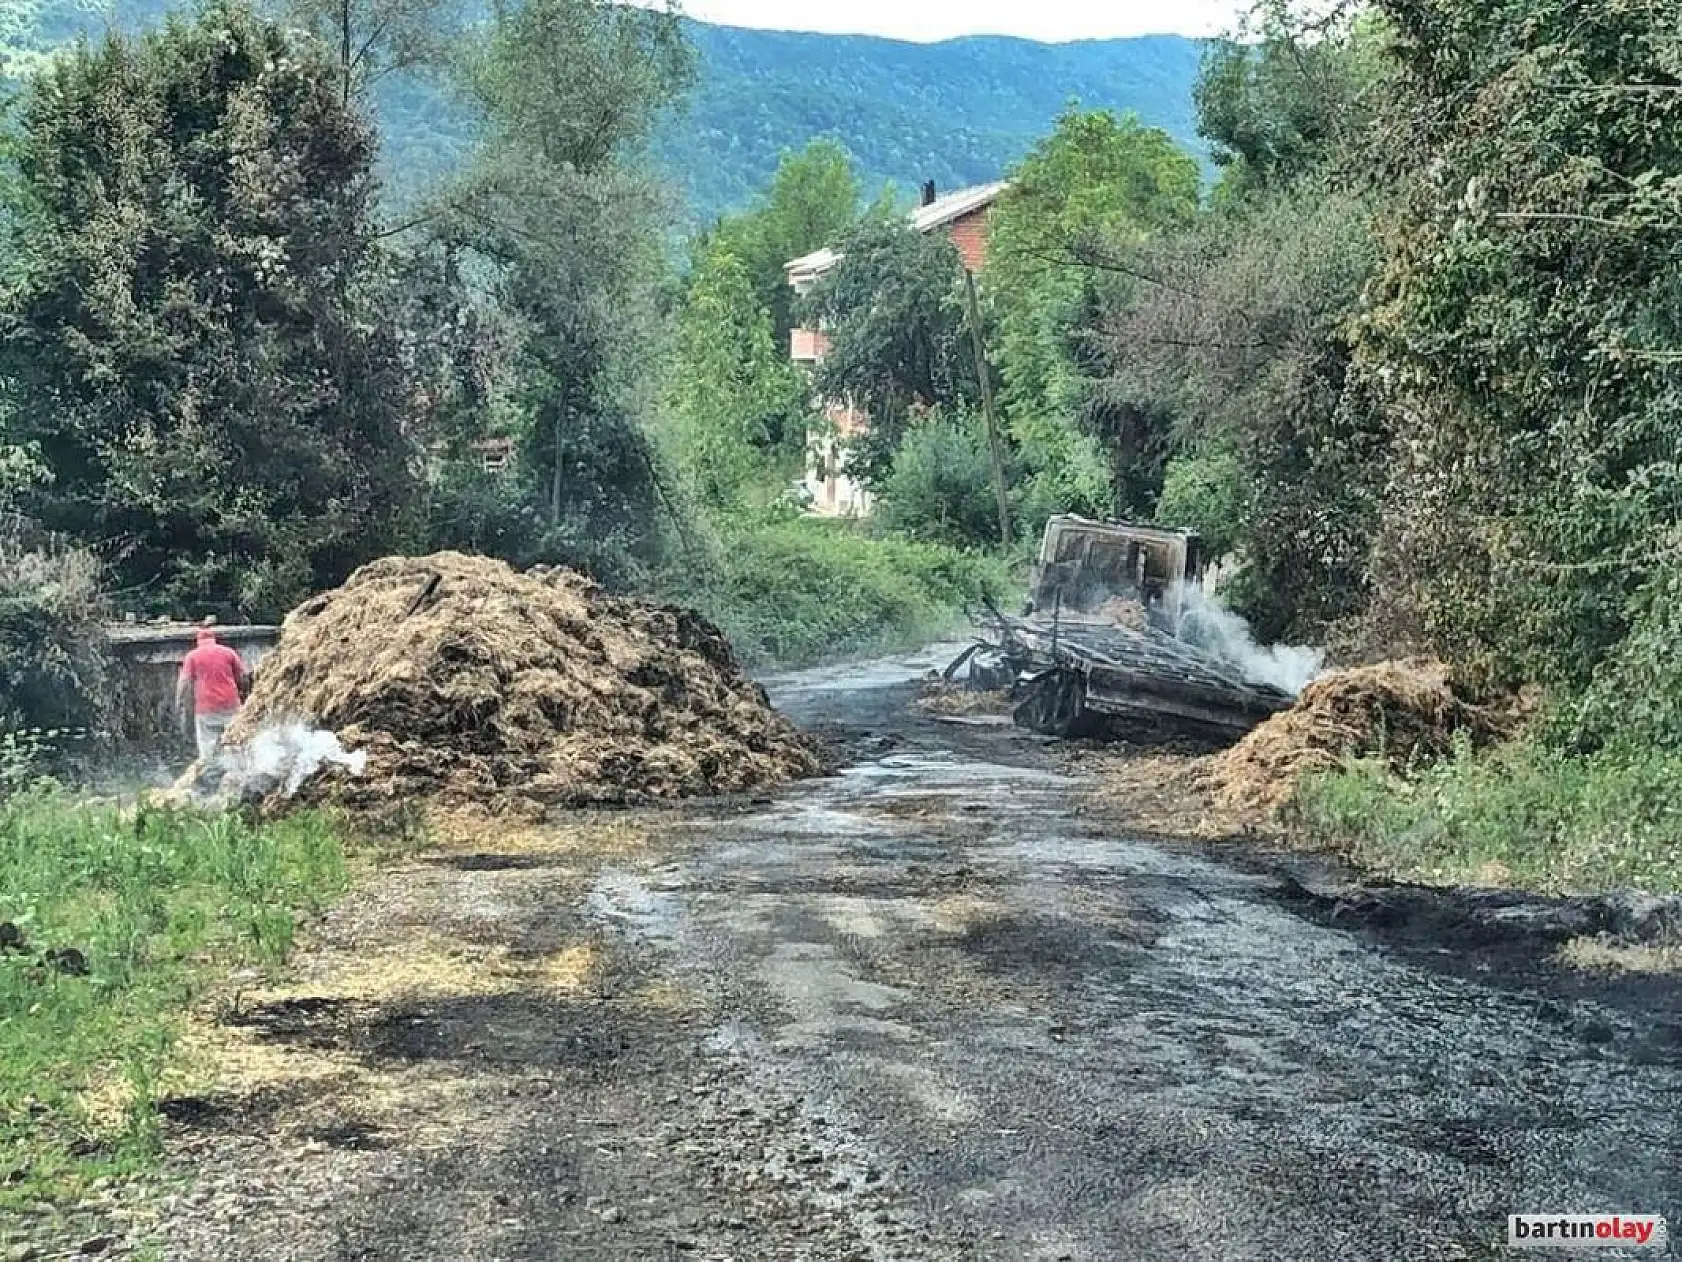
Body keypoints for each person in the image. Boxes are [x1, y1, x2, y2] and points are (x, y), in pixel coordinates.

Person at [176, 626, 249, 763]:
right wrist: (243, 693)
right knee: (236, 741)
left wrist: (179, 700)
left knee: (207, 746)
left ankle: (210, 774)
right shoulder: (229, 653)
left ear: (199, 642)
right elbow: (242, 676)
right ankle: (238, 771)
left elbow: (184, 681)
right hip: (230, 705)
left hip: (206, 709)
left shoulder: (192, 656)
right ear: (214, 640)